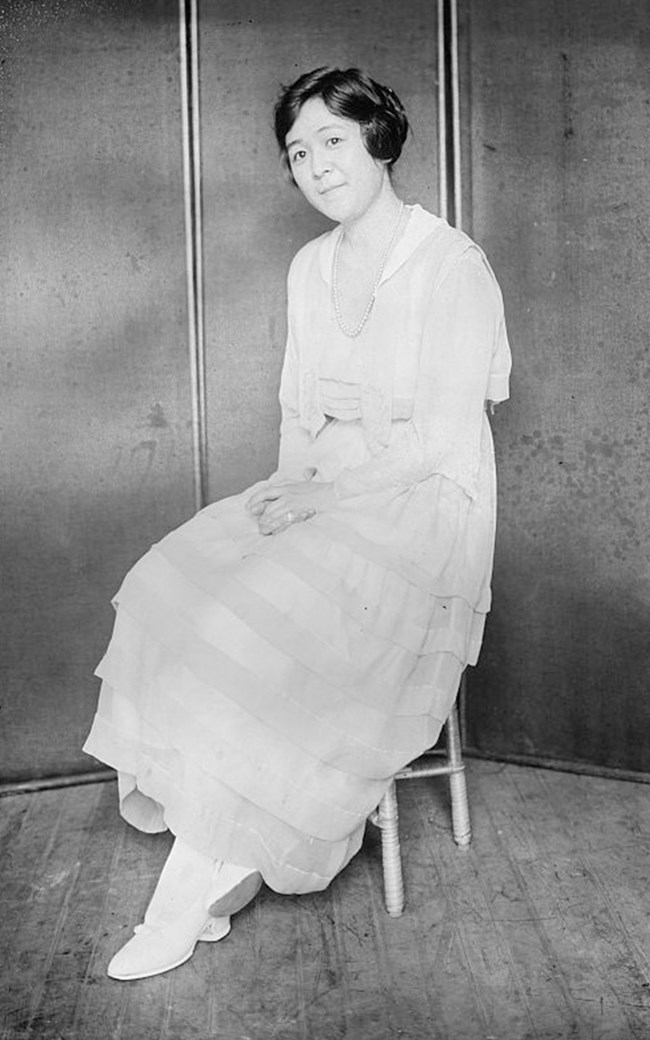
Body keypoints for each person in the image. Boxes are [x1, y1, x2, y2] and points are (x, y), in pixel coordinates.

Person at [83, 66, 511, 981]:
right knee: (175, 583)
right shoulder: (309, 265)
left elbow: (440, 441)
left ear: (379, 141)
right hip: (329, 480)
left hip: (428, 505)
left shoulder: (452, 266)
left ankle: (181, 901)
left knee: (280, 611)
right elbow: (294, 410)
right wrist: (284, 494)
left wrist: (321, 503)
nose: (316, 165)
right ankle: (229, 844)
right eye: (298, 151)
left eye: (332, 141)